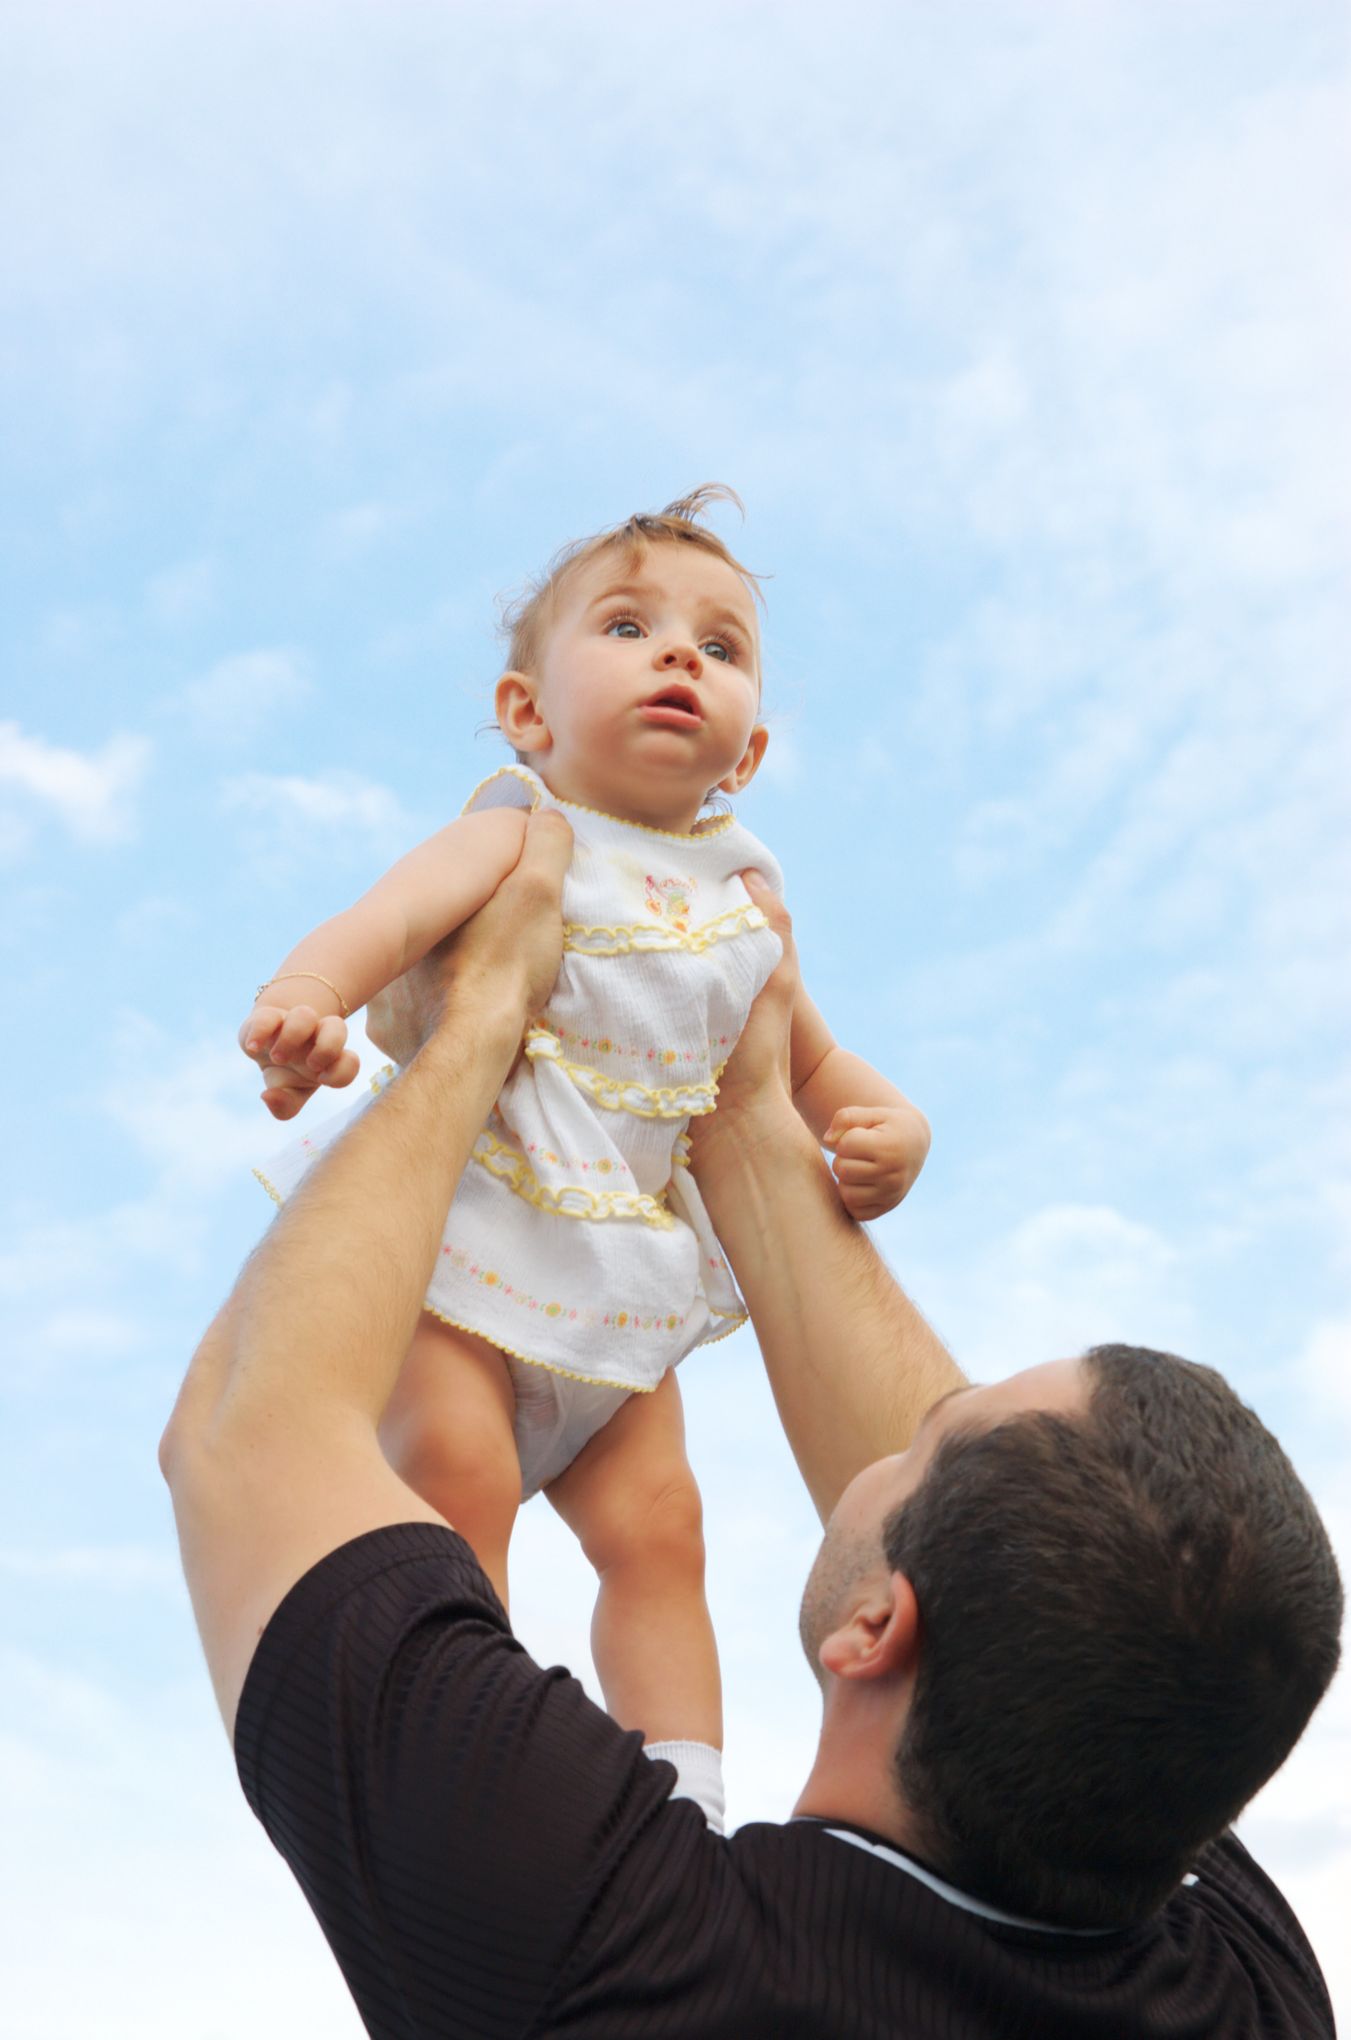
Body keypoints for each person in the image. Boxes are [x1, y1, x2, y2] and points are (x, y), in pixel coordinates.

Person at [161, 820, 1341, 2038]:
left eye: (929, 1439)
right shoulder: (1247, 1989)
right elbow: (1054, 1590)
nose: (891, 1438)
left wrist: (478, 1026)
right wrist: (742, 1111)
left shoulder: (612, 1941)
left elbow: (253, 1436)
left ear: (874, 1627)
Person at [235, 487, 929, 1827]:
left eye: (719, 647)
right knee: (458, 1467)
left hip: (620, 1274)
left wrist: (885, 1124)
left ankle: (686, 1797)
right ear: (526, 714)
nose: (680, 655)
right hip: (470, 1247)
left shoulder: (745, 898)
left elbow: (807, 1064)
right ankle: (459, 1735)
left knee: (662, 1530)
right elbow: (376, 925)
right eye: (629, 625)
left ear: (749, 749)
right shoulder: (516, 834)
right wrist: (304, 1003)